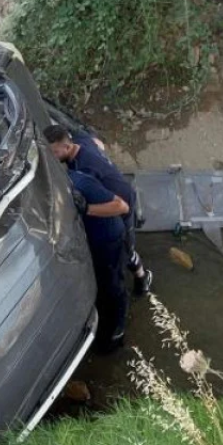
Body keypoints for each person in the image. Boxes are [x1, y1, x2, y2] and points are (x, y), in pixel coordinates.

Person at [43, 125, 152, 296]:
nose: (53, 158)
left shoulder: (85, 170)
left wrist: (87, 208)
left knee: (125, 250)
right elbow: (98, 143)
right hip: (119, 187)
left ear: (67, 146)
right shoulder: (81, 141)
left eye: (55, 153)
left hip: (123, 202)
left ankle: (142, 278)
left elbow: (120, 206)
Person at [68, 170, 131, 353]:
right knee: (102, 285)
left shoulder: (80, 182)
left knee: (113, 287)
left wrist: (87, 208)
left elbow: (122, 206)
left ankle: (116, 332)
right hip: (93, 242)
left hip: (110, 241)